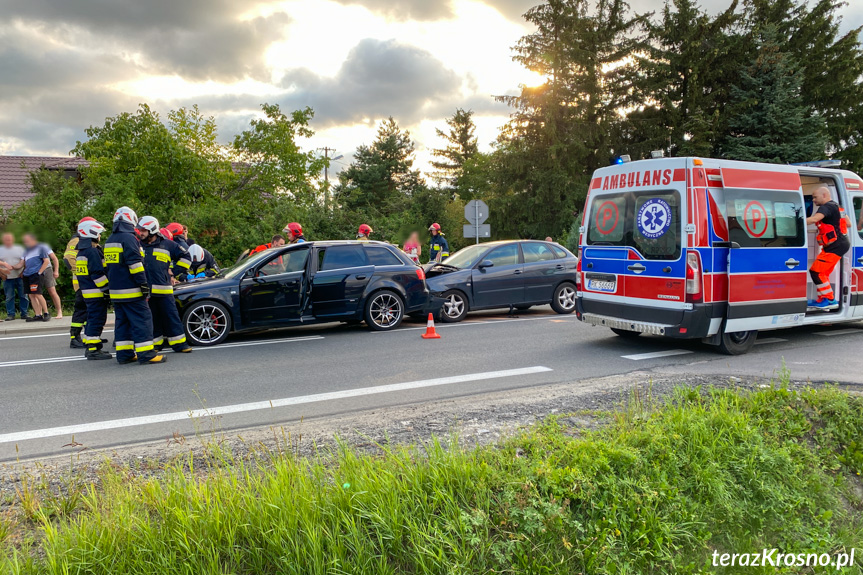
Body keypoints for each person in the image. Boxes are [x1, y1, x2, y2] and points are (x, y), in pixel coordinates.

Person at [106, 207, 166, 365]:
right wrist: (144, 284)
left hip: (116, 291)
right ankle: (146, 354)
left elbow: (109, 267)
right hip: (132, 290)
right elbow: (135, 265)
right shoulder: (129, 239)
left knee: (123, 322)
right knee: (143, 320)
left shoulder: (110, 239)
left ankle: (124, 354)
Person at [137, 216, 192, 354]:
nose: (140, 233)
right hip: (147, 291)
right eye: (140, 230)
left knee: (171, 317)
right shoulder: (138, 245)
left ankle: (180, 344)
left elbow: (186, 257)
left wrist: (174, 272)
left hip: (164, 290)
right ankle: (156, 344)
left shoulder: (168, 244)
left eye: (143, 230)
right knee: (152, 319)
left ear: (152, 230)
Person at [806, 186, 851, 310]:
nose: (813, 200)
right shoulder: (837, 206)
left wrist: (797, 223)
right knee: (822, 272)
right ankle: (823, 299)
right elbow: (848, 223)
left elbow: (815, 219)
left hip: (835, 245)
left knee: (816, 272)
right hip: (839, 244)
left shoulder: (825, 207)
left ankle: (829, 299)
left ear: (824, 195)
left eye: (815, 197)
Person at [75, 219, 112, 360]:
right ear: (93, 233)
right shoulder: (92, 251)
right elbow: (97, 273)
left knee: (92, 319)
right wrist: (107, 290)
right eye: (99, 233)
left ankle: (92, 345)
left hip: (87, 292)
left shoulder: (82, 252)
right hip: (96, 292)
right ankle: (93, 350)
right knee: (97, 319)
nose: (100, 236)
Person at [63, 218, 98, 348]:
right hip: (82, 283)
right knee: (82, 310)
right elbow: (68, 258)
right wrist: (83, 272)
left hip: (87, 283)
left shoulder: (86, 240)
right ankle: (75, 337)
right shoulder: (76, 240)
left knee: (89, 310)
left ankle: (90, 336)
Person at [21, 233, 51, 322]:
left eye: (27, 241)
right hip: (27, 275)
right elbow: (21, 263)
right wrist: (10, 267)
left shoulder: (40, 248)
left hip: (35, 274)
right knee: (31, 295)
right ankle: (38, 314)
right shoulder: (26, 251)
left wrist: (39, 272)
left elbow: (46, 261)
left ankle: (46, 313)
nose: (25, 242)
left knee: (38, 293)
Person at [0, 232, 28, 320]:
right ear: (3, 240)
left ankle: (24, 313)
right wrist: (1, 274)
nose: (8, 241)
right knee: (9, 297)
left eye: (9, 239)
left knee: (24, 296)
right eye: (6, 239)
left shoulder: (20, 249)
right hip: (7, 278)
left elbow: (26, 261)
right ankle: (10, 314)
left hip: (20, 276)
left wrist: (23, 272)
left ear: (13, 239)